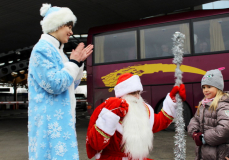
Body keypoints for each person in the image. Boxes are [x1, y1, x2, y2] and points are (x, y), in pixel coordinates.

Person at [28, 3, 93, 160]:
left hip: (59, 121)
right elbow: (55, 84)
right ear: (56, 25)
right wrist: (74, 63)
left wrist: (77, 64)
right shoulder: (42, 49)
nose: (71, 31)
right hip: (49, 123)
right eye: (68, 26)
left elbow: (69, 85)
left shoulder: (58, 52)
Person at [86, 73, 186, 160]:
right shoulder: (110, 110)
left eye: (139, 93)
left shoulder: (145, 110)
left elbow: (160, 122)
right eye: (133, 93)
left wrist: (173, 100)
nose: (138, 97)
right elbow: (96, 144)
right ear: (122, 94)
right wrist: (110, 115)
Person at [187, 68, 229, 160]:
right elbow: (195, 120)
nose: (205, 90)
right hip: (203, 152)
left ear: (218, 88)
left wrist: (204, 138)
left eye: (209, 87)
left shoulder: (224, 105)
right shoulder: (203, 104)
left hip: (219, 154)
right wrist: (194, 133)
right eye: (204, 87)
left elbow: (226, 128)